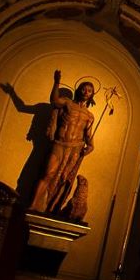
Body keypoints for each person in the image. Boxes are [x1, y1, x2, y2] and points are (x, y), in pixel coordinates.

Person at [27, 70, 96, 218]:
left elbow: (89, 139)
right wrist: (56, 82)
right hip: (60, 143)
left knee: (63, 179)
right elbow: (54, 100)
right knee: (48, 173)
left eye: (89, 90)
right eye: (84, 88)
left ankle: (51, 208)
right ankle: (33, 205)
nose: (86, 91)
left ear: (91, 95)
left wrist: (89, 148)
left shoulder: (90, 116)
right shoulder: (67, 103)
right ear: (79, 90)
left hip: (74, 149)